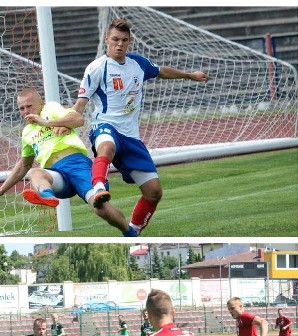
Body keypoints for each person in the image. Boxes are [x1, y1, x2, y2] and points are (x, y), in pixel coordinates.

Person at [73, 18, 209, 237]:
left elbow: (161, 71)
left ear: (129, 42)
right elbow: (81, 103)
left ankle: (133, 232)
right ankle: (99, 187)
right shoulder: (96, 68)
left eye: (124, 40)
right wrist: (66, 123)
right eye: (115, 39)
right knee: (106, 147)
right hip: (105, 126)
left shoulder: (138, 63)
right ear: (107, 39)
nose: (119, 44)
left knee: (153, 192)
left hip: (131, 137)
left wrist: (190, 75)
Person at [0, 88, 97, 210]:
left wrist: (46, 123)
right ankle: (47, 196)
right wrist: (1, 190)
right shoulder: (27, 132)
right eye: (21, 108)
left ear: (41, 103)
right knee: (34, 172)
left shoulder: (51, 108)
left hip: (76, 164)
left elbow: (78, 119)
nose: (26, 111)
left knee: (99, 206)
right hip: (57, 175)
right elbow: (24, 165)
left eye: (29, 106)